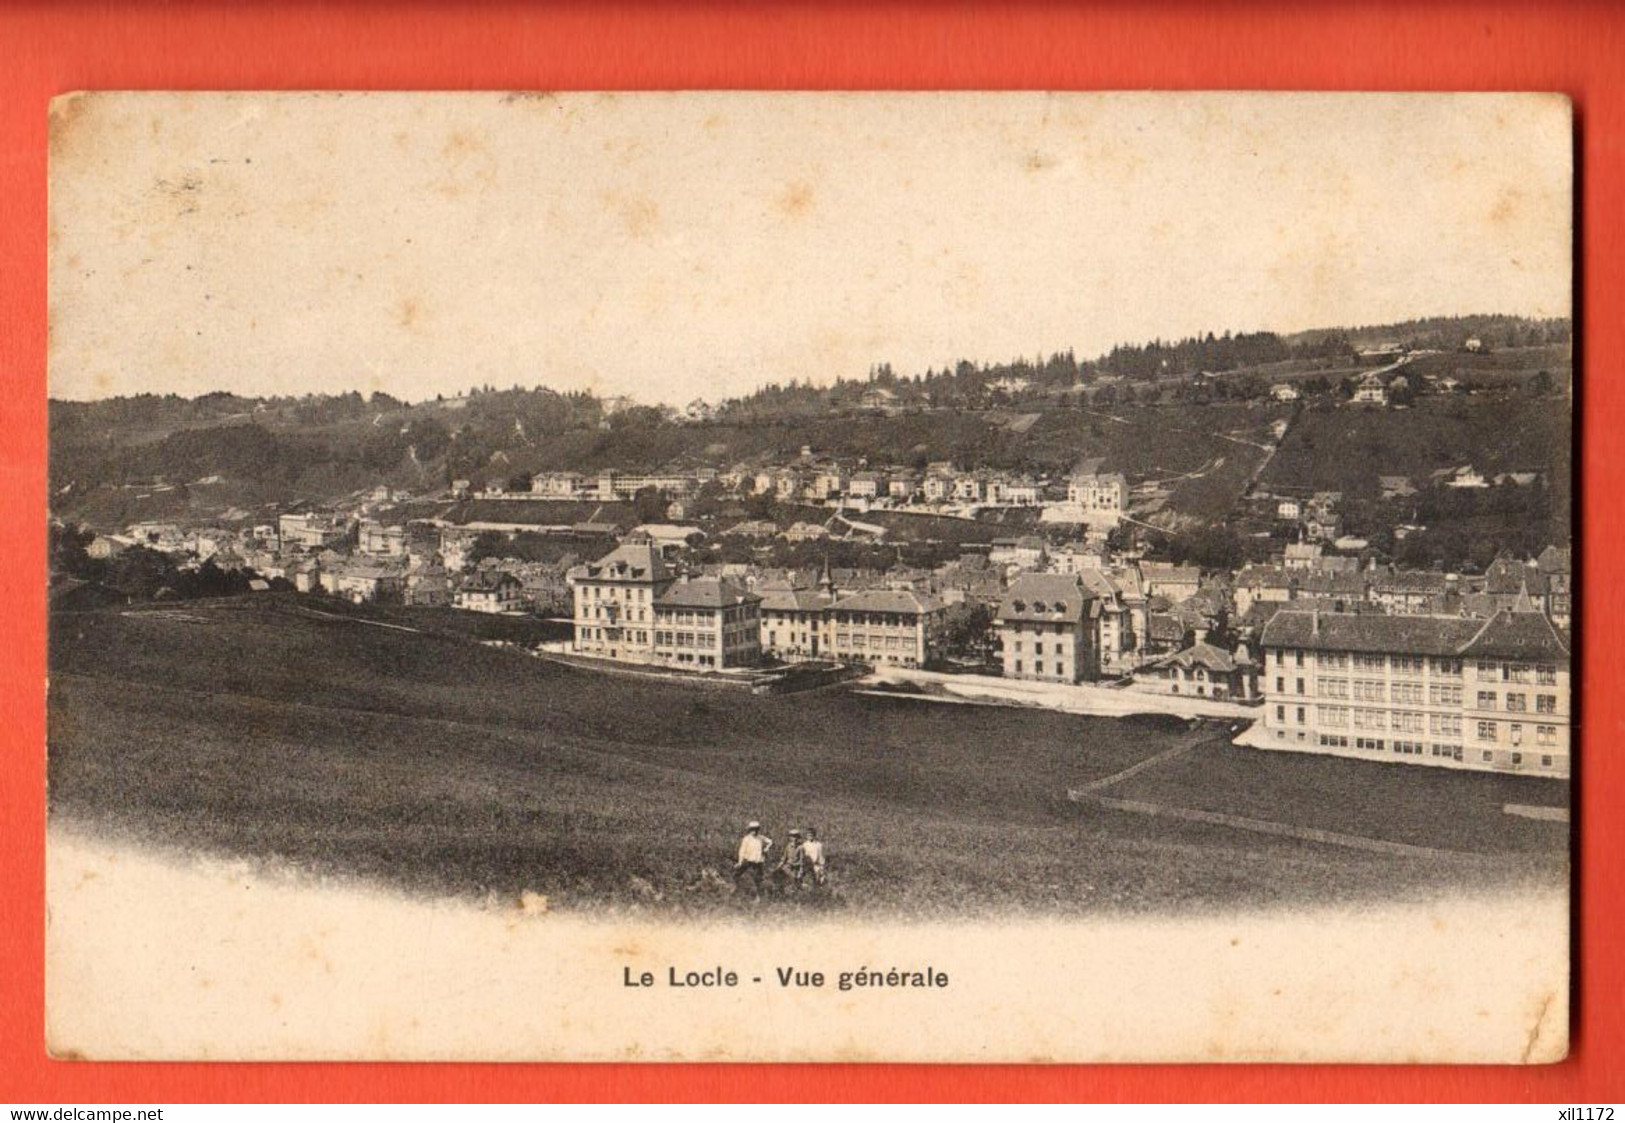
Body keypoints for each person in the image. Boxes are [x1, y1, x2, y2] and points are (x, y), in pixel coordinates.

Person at [733, 820, 773, 897]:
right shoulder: (746, 839)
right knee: (736, 875)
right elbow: (742, 851)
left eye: (756, 829)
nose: (754, 831)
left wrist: (766, 848)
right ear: (749, 830)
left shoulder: (761, 838)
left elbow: (771, 842)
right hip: (748, 861)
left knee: (758, 879)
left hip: (758, 862)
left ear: (758, 830)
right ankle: (738, 889)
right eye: (752, 829)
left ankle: (759, 896)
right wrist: (740, 862)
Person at [772, 828, 806, 892]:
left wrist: (800, 872)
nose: (794, 839)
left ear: (798, 838)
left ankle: (795, 888)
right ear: (790, 838)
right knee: (778, 873)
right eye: (793, 837)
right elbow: (784, 858)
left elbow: (802, 861)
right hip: (788, 866)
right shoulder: (788, 846)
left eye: (796, 837)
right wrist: (778, 867)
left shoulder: (801, 847)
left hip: (796, 867)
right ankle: (779, 889)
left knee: (794, 878)